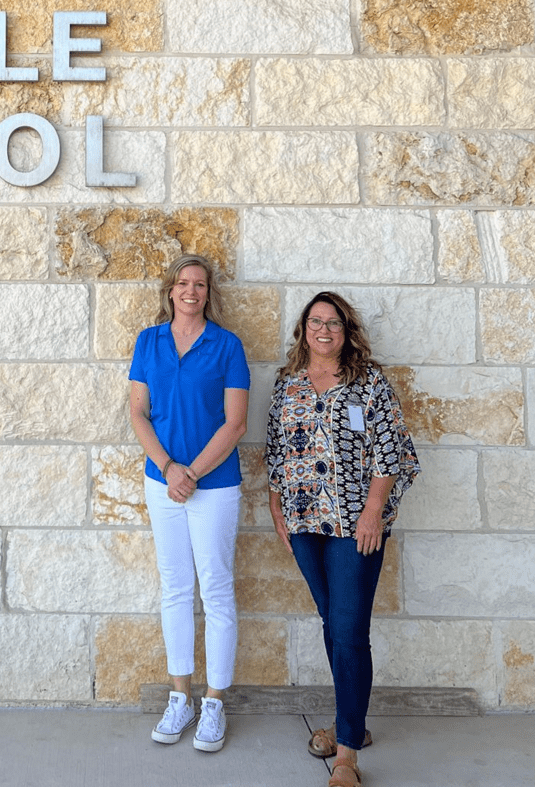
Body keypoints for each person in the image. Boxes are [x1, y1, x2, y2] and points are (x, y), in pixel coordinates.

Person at [267, 292, 420, 787]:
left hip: (356, 525)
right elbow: (275, 448)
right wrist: (276, 505)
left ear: (346, 330)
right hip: (305, 522)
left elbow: (391, 450)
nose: (324, 330)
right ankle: (349, 723)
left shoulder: (368, 382)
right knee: (333, 625)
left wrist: (373, 511)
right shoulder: (287, 384)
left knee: (350, 631)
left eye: (334, 322)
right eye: (316, 321)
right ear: (304, 329)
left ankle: (348, 756)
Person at [129, 253, 250, 752]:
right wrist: (169, 469)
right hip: (162, 485)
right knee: (176, 588)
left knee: (216, 591)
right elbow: (138, 412)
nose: (191, 291)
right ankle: (180, 697)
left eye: (200, 284)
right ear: (171, 289)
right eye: (183, 282)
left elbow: (236, 423)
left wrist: (193, 472)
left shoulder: (227, 346)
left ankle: (215, 702)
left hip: (214, 486)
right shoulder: (149, 341)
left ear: (208, 293)